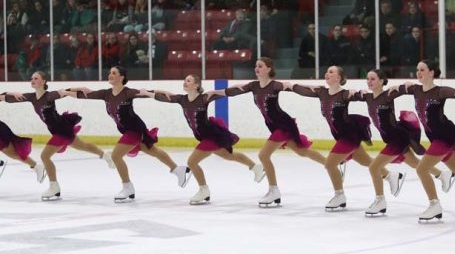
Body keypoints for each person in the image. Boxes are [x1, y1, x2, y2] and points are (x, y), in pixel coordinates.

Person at [65, 66, 190, 202]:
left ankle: (127, 187)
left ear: (121, 77)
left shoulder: (128, 93)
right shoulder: (105, 94)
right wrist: (69, 90)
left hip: (134, 129)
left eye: (114, 73)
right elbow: (83, 95)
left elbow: (147, 92)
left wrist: (164, 92)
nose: (110, 75)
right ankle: (179, 170)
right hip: (127, 130)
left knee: (116, 155)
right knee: (151, 150)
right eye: (109, 73)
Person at [140, 74, 264, 205]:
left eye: (188, 81)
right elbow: (166, 96)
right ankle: (256, 167)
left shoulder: (204, 98)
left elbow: (227, 92)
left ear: (196, 85)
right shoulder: (182, 99)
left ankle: (204, 190)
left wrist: (246, 88)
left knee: (192, 162)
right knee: (229, 155)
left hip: (211, 135)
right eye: (185, 80)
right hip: (204, 137)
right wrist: (148, 93)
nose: (185, 82)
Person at [392, 59, 455, 222]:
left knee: (422, 169)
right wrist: (397, 87)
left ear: (431, 73)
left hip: (445, 136)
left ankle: (434, 205)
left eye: (422, 70)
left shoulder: (440, 91)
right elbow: (402, 88)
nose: (418, 73)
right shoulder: (416, 90)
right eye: (417, 70)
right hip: (435, 137)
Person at [289, 66, 396, 211]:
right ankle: (390, 175)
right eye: (327, 71)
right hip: (340, 135)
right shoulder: (322, 92)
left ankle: (339, 196)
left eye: (332, 72)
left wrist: (362, 92)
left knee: (330, 164)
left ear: (339, 78)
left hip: (349, 136)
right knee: (367, 162)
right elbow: (302, 91)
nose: (327, 73)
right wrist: (290, 86)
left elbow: (364, 96)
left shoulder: (345, 94)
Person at [225, 57, 328, 207]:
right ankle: (331, 164)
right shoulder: (253, 86)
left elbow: (292, 86)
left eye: (260, 66)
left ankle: (273, 190)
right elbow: (237, 87)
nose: (257, 68)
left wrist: (313, 87)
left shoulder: (275, 85)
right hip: (274, 126)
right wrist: (217, 92)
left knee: (263, 155)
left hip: (283, 125)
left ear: (268, 69)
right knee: (301, 151)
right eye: (256, 66)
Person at [355, 69, 455, 216]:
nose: (369, 82)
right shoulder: (368, 97)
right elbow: (348, 96)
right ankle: (442, 175)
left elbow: (409, 89)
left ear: (382, 81)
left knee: (374, 167)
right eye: (368, 79)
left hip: (397, 138)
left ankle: (380, 201)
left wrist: (406, 85)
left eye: (373, 79)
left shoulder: (388, 94)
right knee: (416, 164)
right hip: (390, 138)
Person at [0, 71, 112, 200]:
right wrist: (10, 93)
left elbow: (63, 92)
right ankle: (105, 155)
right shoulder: (31, 97)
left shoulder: (49, 96)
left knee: (45, 156)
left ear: (44, 81)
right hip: (60, 129)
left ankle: (54, 187)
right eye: (31, 78)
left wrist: (80, 88)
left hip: (61, 130)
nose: (32, 80)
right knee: (82, 146)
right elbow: (5, 98)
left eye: (36, 78)